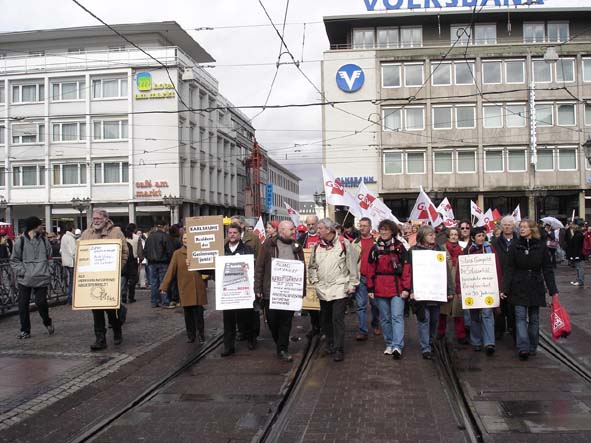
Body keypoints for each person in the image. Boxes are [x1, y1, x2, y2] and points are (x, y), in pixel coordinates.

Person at [501, 219, 559, 360]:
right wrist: (504, 289)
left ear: (532, 229)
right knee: (520, 317)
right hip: (518, 286)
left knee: (534, 318)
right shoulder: (515, 246)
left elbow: (547, 269)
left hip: (535, 285)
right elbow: (509, 269)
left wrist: (553, 290)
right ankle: (523, 347)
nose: (521, 229)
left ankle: (532, 346)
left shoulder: (541, 247)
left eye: (525, 227)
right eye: (520, 227)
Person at [308, 218, 359, 362]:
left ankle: (338, 348)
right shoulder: (317, 246)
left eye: (320, 228)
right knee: (325, 319)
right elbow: (312, 266)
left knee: (337, 318)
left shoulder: (344, 243)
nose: (318, 231)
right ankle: (330, 343)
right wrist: (314, 280)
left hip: (339, 287)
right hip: (323, 289)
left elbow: (352, 265)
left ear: (329, 230)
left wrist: (352, 284)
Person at [255, 220, 305, 362]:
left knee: (286, 321)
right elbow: (259, 267)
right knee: (272, 321)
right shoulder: (268, 245)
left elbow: (302, 269)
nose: (294, 231)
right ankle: (280, 342)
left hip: (289, 292)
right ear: (282, 230)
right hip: (271, 291)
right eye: (291, 229)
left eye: (294, 229)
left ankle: (282, 348)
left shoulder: (297, 246)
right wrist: (258, 288)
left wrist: (302, 290)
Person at [79, 209, 128, 350]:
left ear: (106, 219)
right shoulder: (86, 234)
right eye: (94, 218)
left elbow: (125, 252)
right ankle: (100, 339)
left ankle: (117, 329)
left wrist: (118, 268)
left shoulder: (116, 233)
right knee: (96, 310)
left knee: (111, 309)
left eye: (99, 218)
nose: (96, 220)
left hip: (109, 278)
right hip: (93, 278)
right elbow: (81, 253)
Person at [366, 219, 410, 359]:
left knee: (397, 316)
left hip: (396, 287)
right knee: (385, 318)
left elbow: (407, 269)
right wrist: (370, 288)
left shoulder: (399, 247)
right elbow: (370, 269)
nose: (383, 232)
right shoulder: (375, 249)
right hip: (379, 288)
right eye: (382, 229)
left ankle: (398, 345)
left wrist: (406, 288)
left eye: (386, 229)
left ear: (392, 231)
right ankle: (389, 343)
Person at [408, 225, 454, 360]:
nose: (434, 237)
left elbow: (445, 272)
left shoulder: (439, 250)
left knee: (434, 320)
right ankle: (425, 348)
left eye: (434, 235)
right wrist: (411, 290)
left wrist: (449, 290)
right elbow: (409, 273)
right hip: (421, 293)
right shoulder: (413, 251)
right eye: (430, 235)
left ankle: (430, 341)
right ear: (422, 237)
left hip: (435, 292)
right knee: (424, 319)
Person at [10, 216, 55, 339]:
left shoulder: (45, 241)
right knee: (23, 304)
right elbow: (14, 260)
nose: (42, 227)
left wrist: (49, 269)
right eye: (40, 225)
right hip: (25, 278)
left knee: (41, 302)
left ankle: (47, 321)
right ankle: (25, 330)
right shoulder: (21, 241)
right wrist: (22, 271)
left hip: (41, 277)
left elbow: (50, 257)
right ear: (35, 226)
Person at [458, 227, 500, 355]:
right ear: (473, 238)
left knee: (487, 314)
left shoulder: (490, 249)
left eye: (483, 235)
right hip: (473, 288)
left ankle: (489, 343)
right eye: (479, 236)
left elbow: (496, 267)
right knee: (474, 315)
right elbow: (461, 271)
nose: (481, 238)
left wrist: (498, 286)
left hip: (487, 287)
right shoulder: (467, 251)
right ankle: (476, 341)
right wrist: (459, 289)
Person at [160, 233, 208, 343]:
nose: (186, 240)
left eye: (188, 238)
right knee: (188, 315)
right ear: (182, 240)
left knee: (199, 314)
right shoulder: (177, 254)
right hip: (185, 288)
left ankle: (201, 334)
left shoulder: (199, 251)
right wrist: (164, 286)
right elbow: (171, 271)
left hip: (198, 287)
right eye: (184, 238)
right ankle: (191, 335)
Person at [221, 223, 257, 356]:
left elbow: (254, 265)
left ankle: (251, 339)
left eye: (234, 233)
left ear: (240, 234)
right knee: (228, 319)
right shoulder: (222, 250)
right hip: (227, 291)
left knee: (247, 316)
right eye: (230, 233)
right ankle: (228, 346)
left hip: (243, 289)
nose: (232, 235)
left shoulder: (247, 249)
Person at [352, 217, 381, 341]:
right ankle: (363, 330)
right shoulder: (354, 243)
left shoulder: (377, 242)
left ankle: (375, 324)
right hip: (360, 276)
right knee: (361, 305)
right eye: (360, 225)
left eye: (365, 225)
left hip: (374, 278)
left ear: (370, 227)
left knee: (375, 304)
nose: (362, 228)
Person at [437, 227, 467, 344]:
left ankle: (461, 335)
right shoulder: (442, 249)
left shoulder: (463, 249)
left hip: (458, 284)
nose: (454, 236)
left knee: (458, 311)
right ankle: (440, 332)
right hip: (445, 284)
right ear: (448, 236)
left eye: (456, 234)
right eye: (452, 234)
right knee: (442, 312)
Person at [491, 216, 517, 341]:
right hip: (499, 277)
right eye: (505, 225)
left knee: (513, 307)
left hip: (515, 280)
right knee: (499, 308)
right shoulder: (495, 243)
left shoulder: (519, 241)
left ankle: (513, 328)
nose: (507, 227)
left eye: (509, 225)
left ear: (513, 226)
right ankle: (499, 330)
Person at [297, 214, 322, 338]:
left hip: (322, 274)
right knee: (311, 302)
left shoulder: (323, 236)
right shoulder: (302, 238)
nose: (311, 226)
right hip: (307, 275)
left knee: (322, 302)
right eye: (309, 224)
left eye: (313, 224)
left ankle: (324, 327)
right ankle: (315, 326)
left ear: (317, 224)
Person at [143, 221, 175, 308]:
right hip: (163, 262)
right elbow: (170, 251)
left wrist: (149, 258)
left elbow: (145, 250)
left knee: (153, 283)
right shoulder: (165, 236)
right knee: (163, 282)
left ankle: (154, 301)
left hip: (152, 263)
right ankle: (164, 301)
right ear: (165, 226)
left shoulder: (150, 237)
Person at [59, 222, 77, 305]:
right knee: (72, 282)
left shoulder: (63, 237)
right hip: (72, 262)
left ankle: (70, 298)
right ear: (72, 229)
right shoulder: (70, 238)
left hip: (65, 261)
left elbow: (61, 250)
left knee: (70, 281)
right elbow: (73, 251)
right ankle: (71, 299)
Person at [567, 222, 585, 287]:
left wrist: (575, 256)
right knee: (578, 268)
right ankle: (578, 280)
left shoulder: (577, 236)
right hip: (579, 254)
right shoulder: (577, 235)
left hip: (579, 254)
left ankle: (580, 281)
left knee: (580, 268)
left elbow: (576, 247)